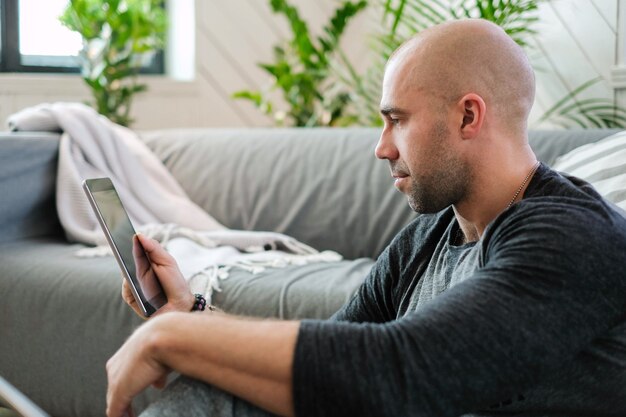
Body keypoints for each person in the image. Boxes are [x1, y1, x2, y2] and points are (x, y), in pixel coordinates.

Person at [105, 18, 626, 417]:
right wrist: (188, 314)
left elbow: (410, 372)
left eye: (397, 121)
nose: (381, 148)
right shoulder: (428, 237)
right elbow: (330, 364)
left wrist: (172, 339)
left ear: (469, 115)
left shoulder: (570, 235)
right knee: (220, 390)